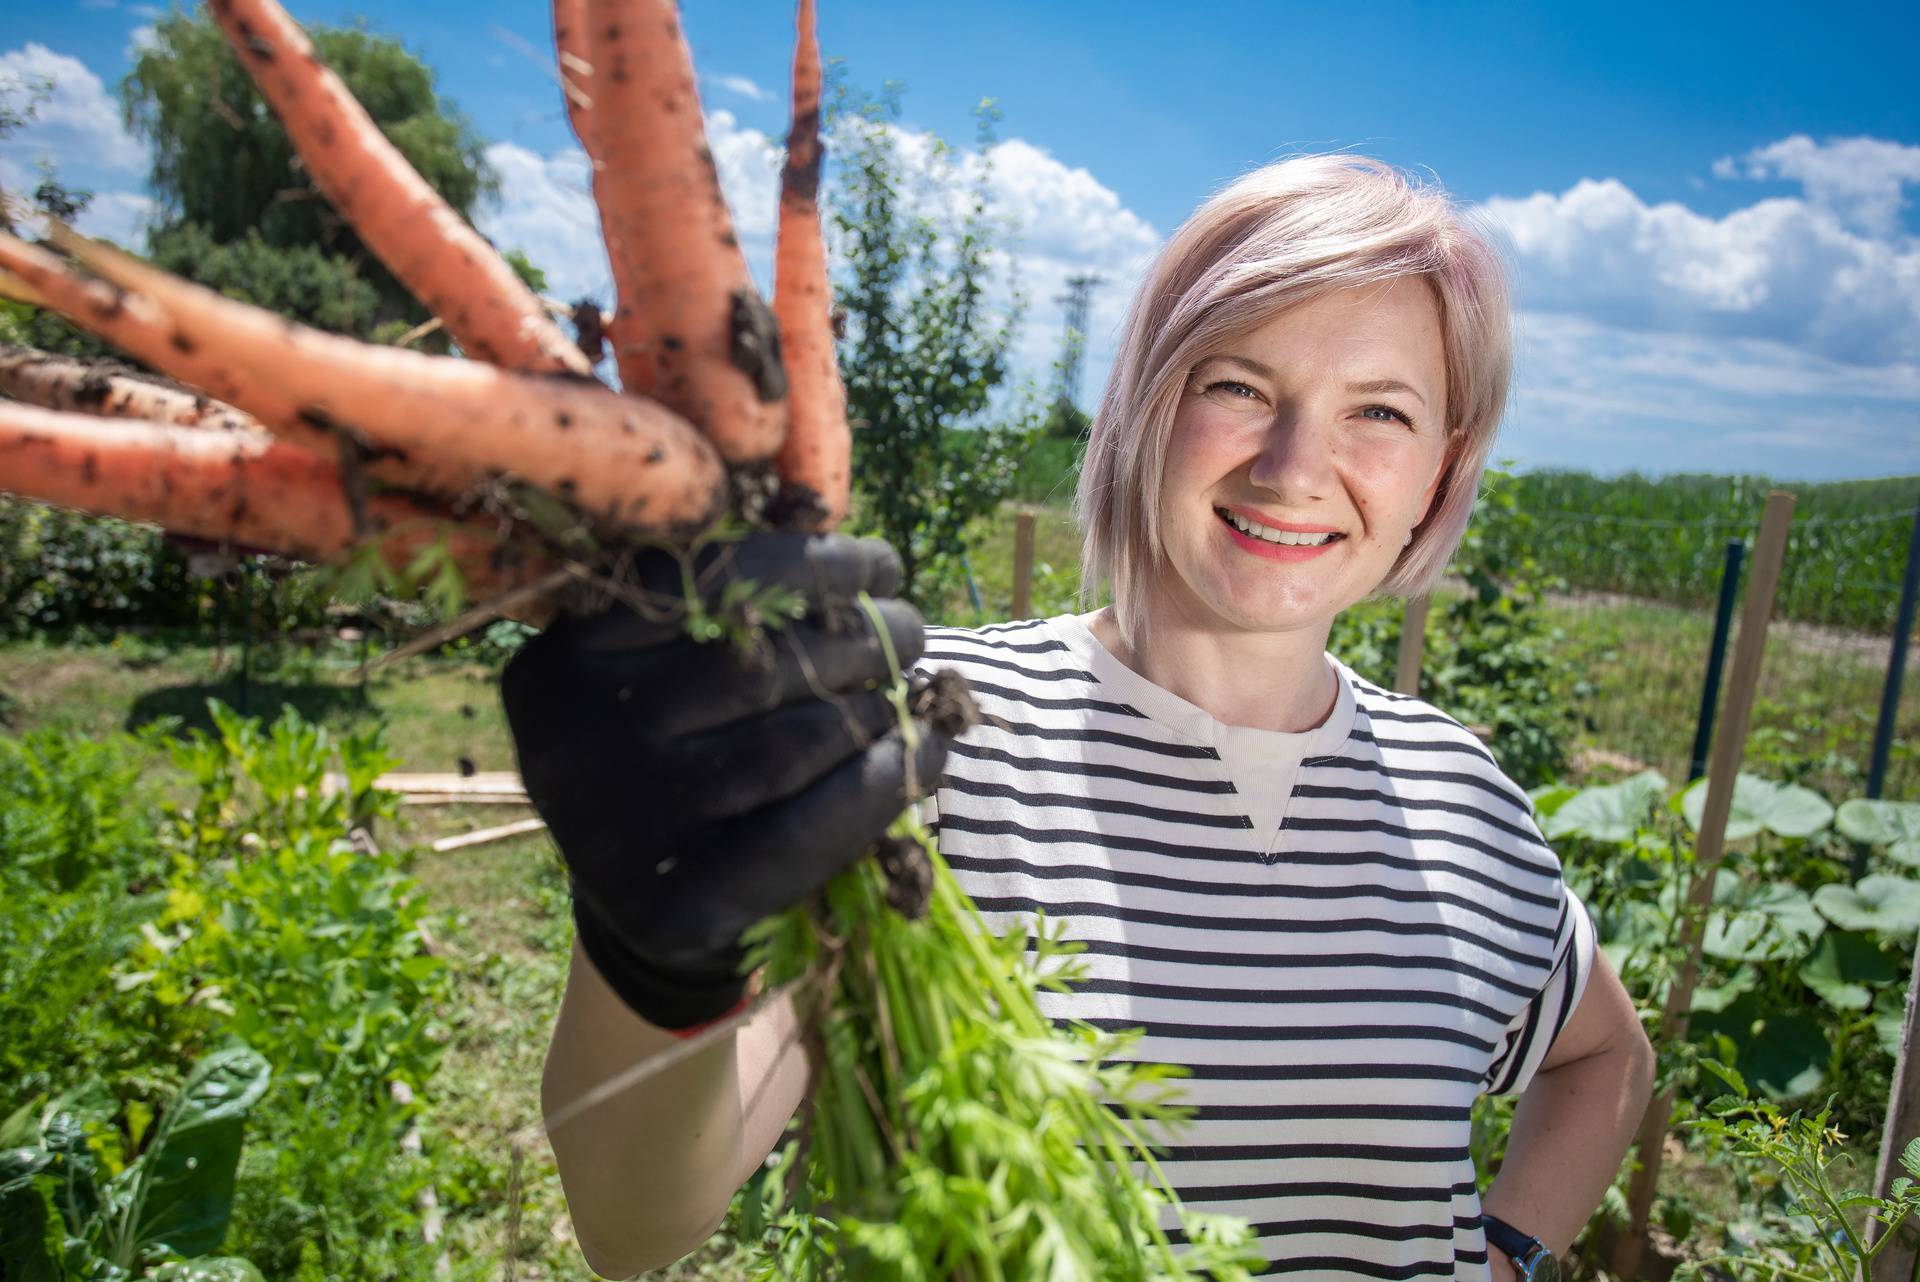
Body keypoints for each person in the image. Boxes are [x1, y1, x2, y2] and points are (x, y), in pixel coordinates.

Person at [502, 154, 1654, 1281]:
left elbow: (1608, 1057)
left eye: (1381, 412)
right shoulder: (918, 742)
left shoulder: (1460, 792)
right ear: (1147, 402)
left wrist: (1509, 1249)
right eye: (1240, 386)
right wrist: (646, 953)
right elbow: (633, 1223)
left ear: (1441, 469)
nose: (1299, 467)